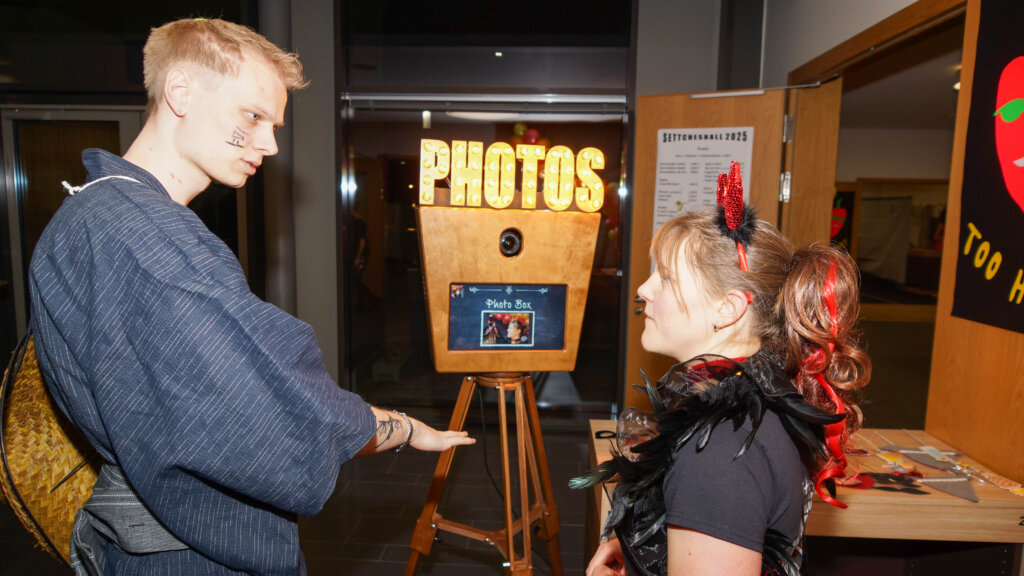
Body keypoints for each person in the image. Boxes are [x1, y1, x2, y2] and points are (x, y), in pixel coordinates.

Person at [28, 17, 473, 575]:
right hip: (188, 551)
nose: (270, 143)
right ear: (180, 92)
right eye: (254, 116)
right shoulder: (149, 236)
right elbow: (266, 407)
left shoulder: (90, 210)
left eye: (274, 124)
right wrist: (403, 428)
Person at [573, 162, 869, 576]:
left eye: (667, 278)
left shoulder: (720, 449)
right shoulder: (754, 402)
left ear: (727, 309)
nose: (643, 289)